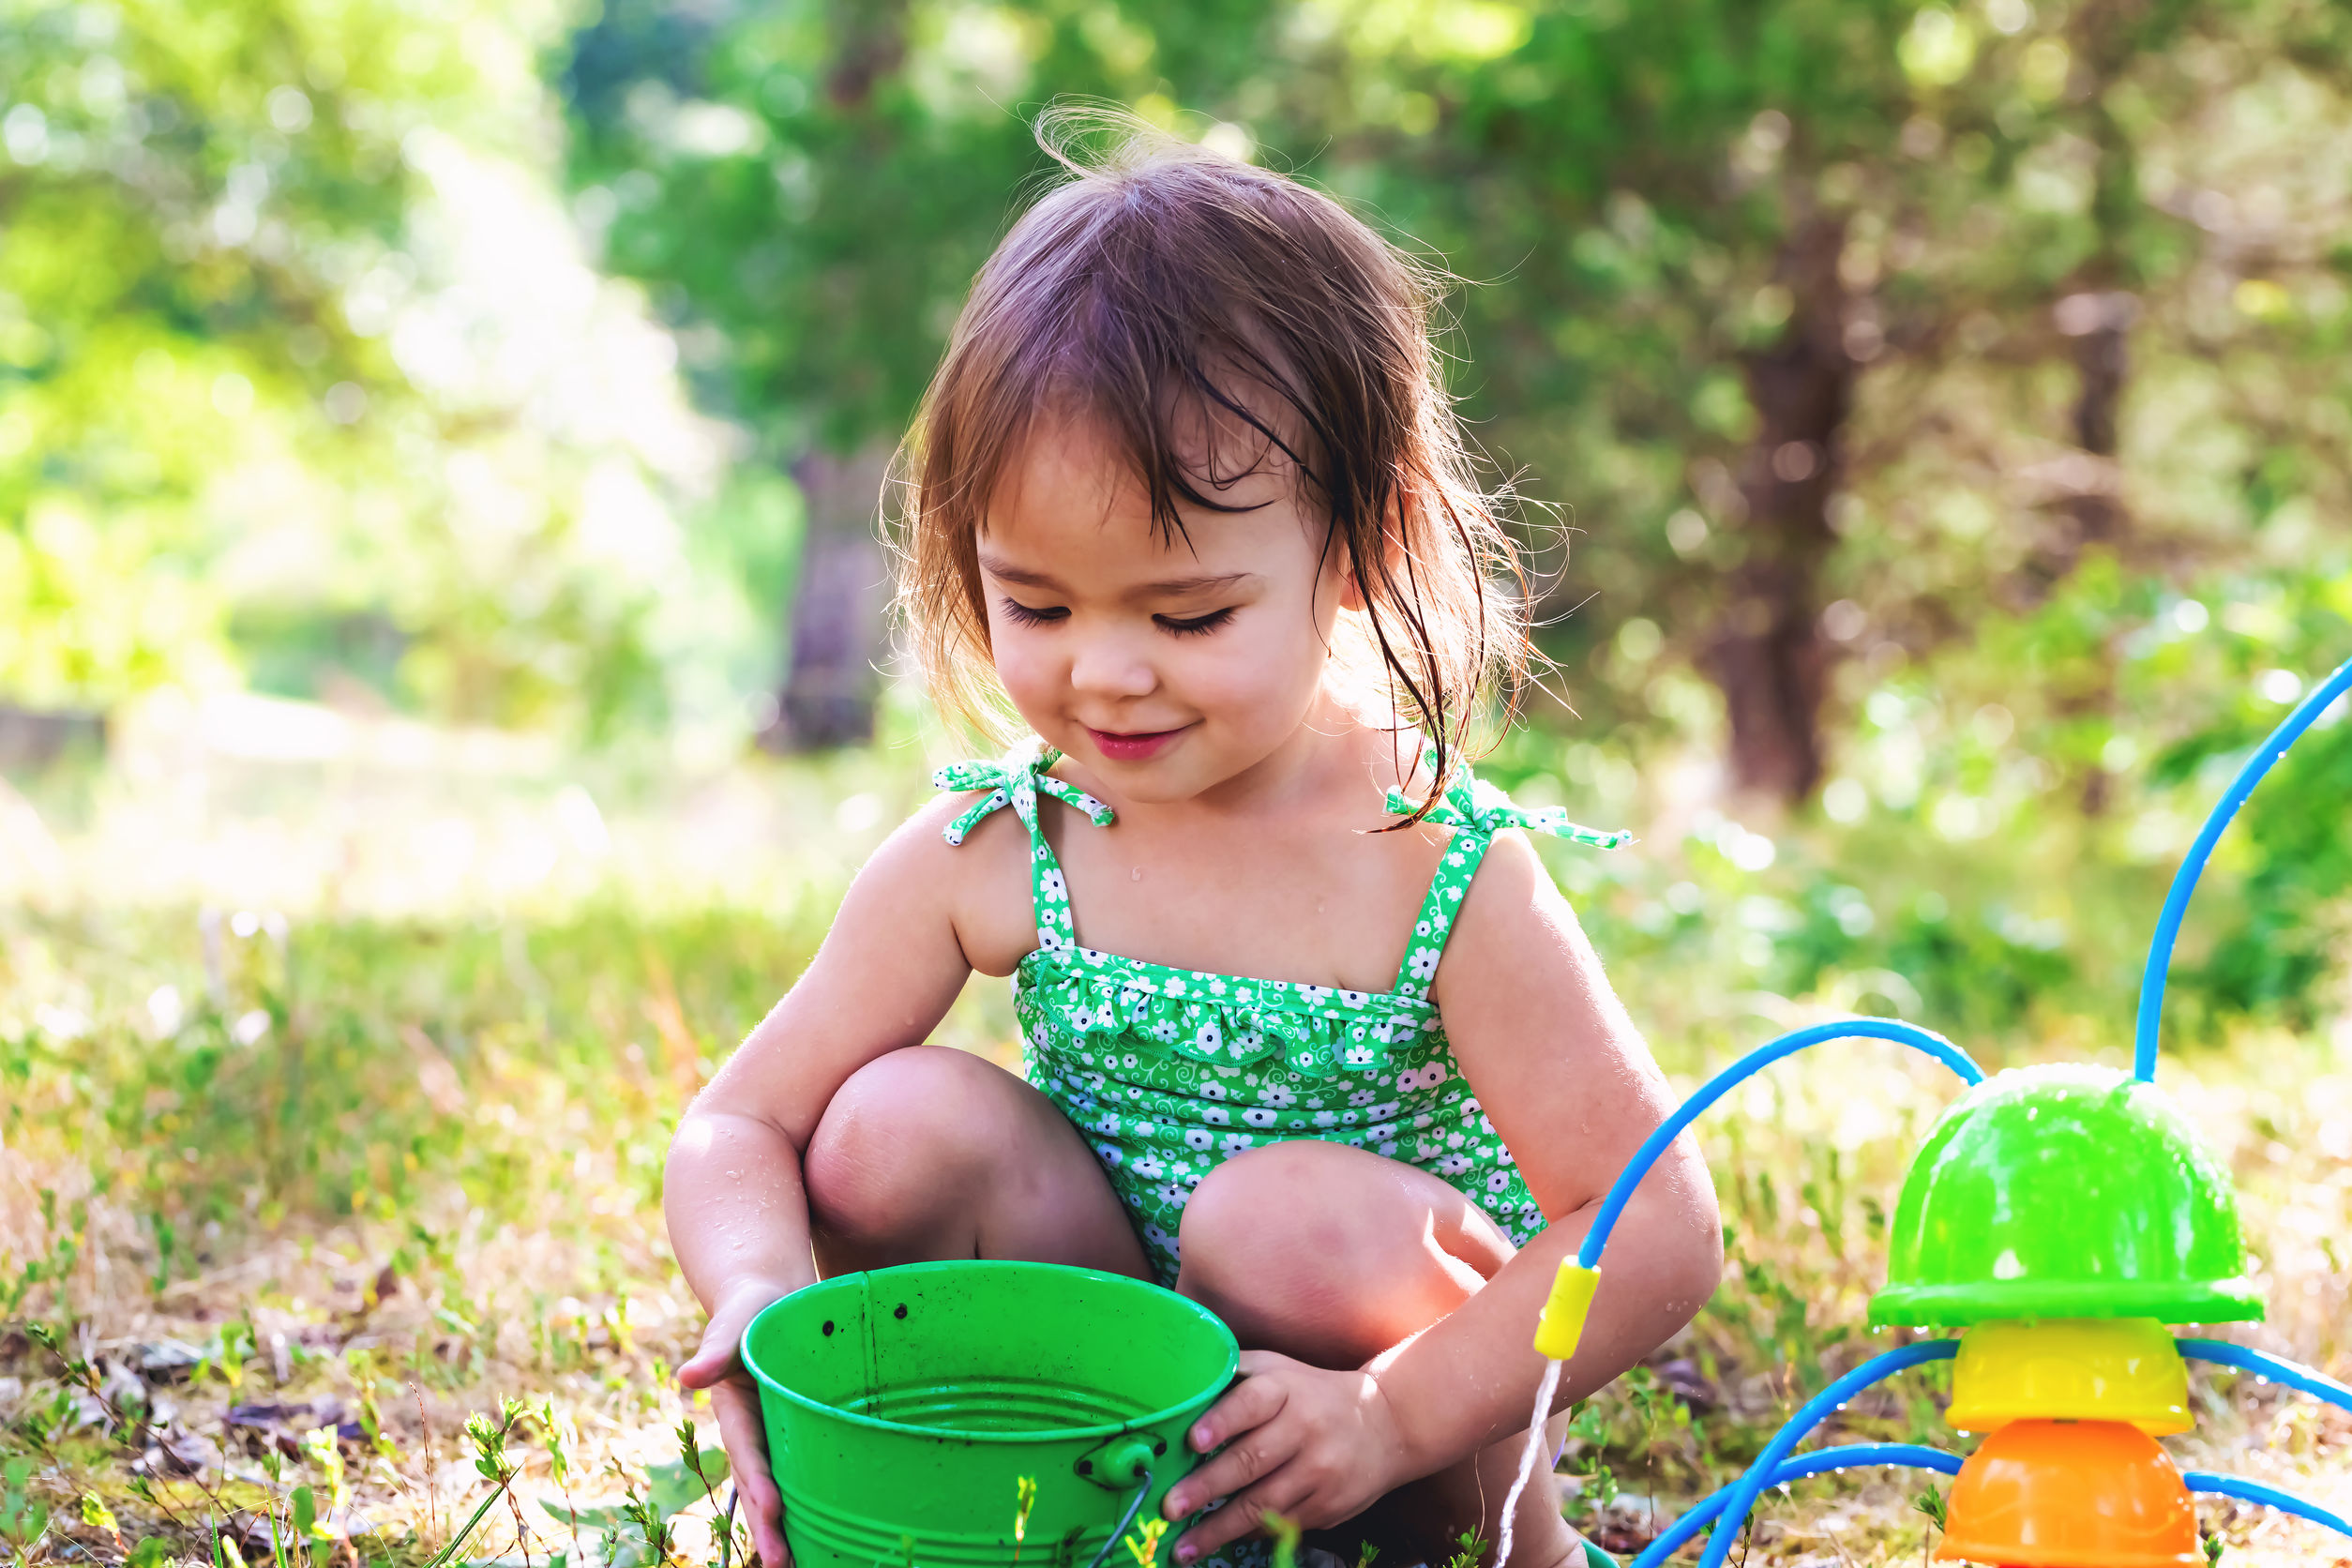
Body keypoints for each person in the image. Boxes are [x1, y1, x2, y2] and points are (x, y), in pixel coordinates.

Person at [665, 108, 1721, 1568]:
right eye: (1039, 604)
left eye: (1188, 615)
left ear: (1356, 547)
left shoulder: (1432, 863)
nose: (1105, 672)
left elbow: (1656, 1227)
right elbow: (740, 1125)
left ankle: (1500, 1554)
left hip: (1396, 1439)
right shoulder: (1005, 844)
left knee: (1273, 1218)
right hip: (1121, 1418)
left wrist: (1396, 1418)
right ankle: (1099, 1531)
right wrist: (762, 1288)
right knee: (891, 1122)